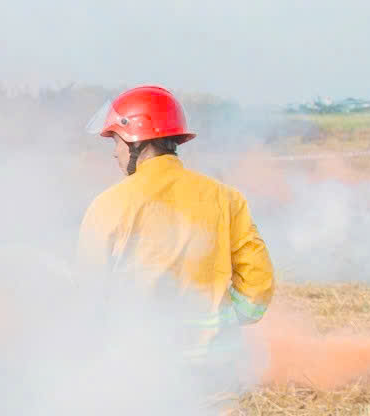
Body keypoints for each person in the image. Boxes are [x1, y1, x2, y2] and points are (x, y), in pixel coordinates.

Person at [78, 85, 275, 354]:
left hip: (145, 367)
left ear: (137, 141)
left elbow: (90, 299)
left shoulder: (107, 205)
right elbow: (257, 287)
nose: (114, 152)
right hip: (218, 363)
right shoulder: (227, 198)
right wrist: (221, 324)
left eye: (116, 141)